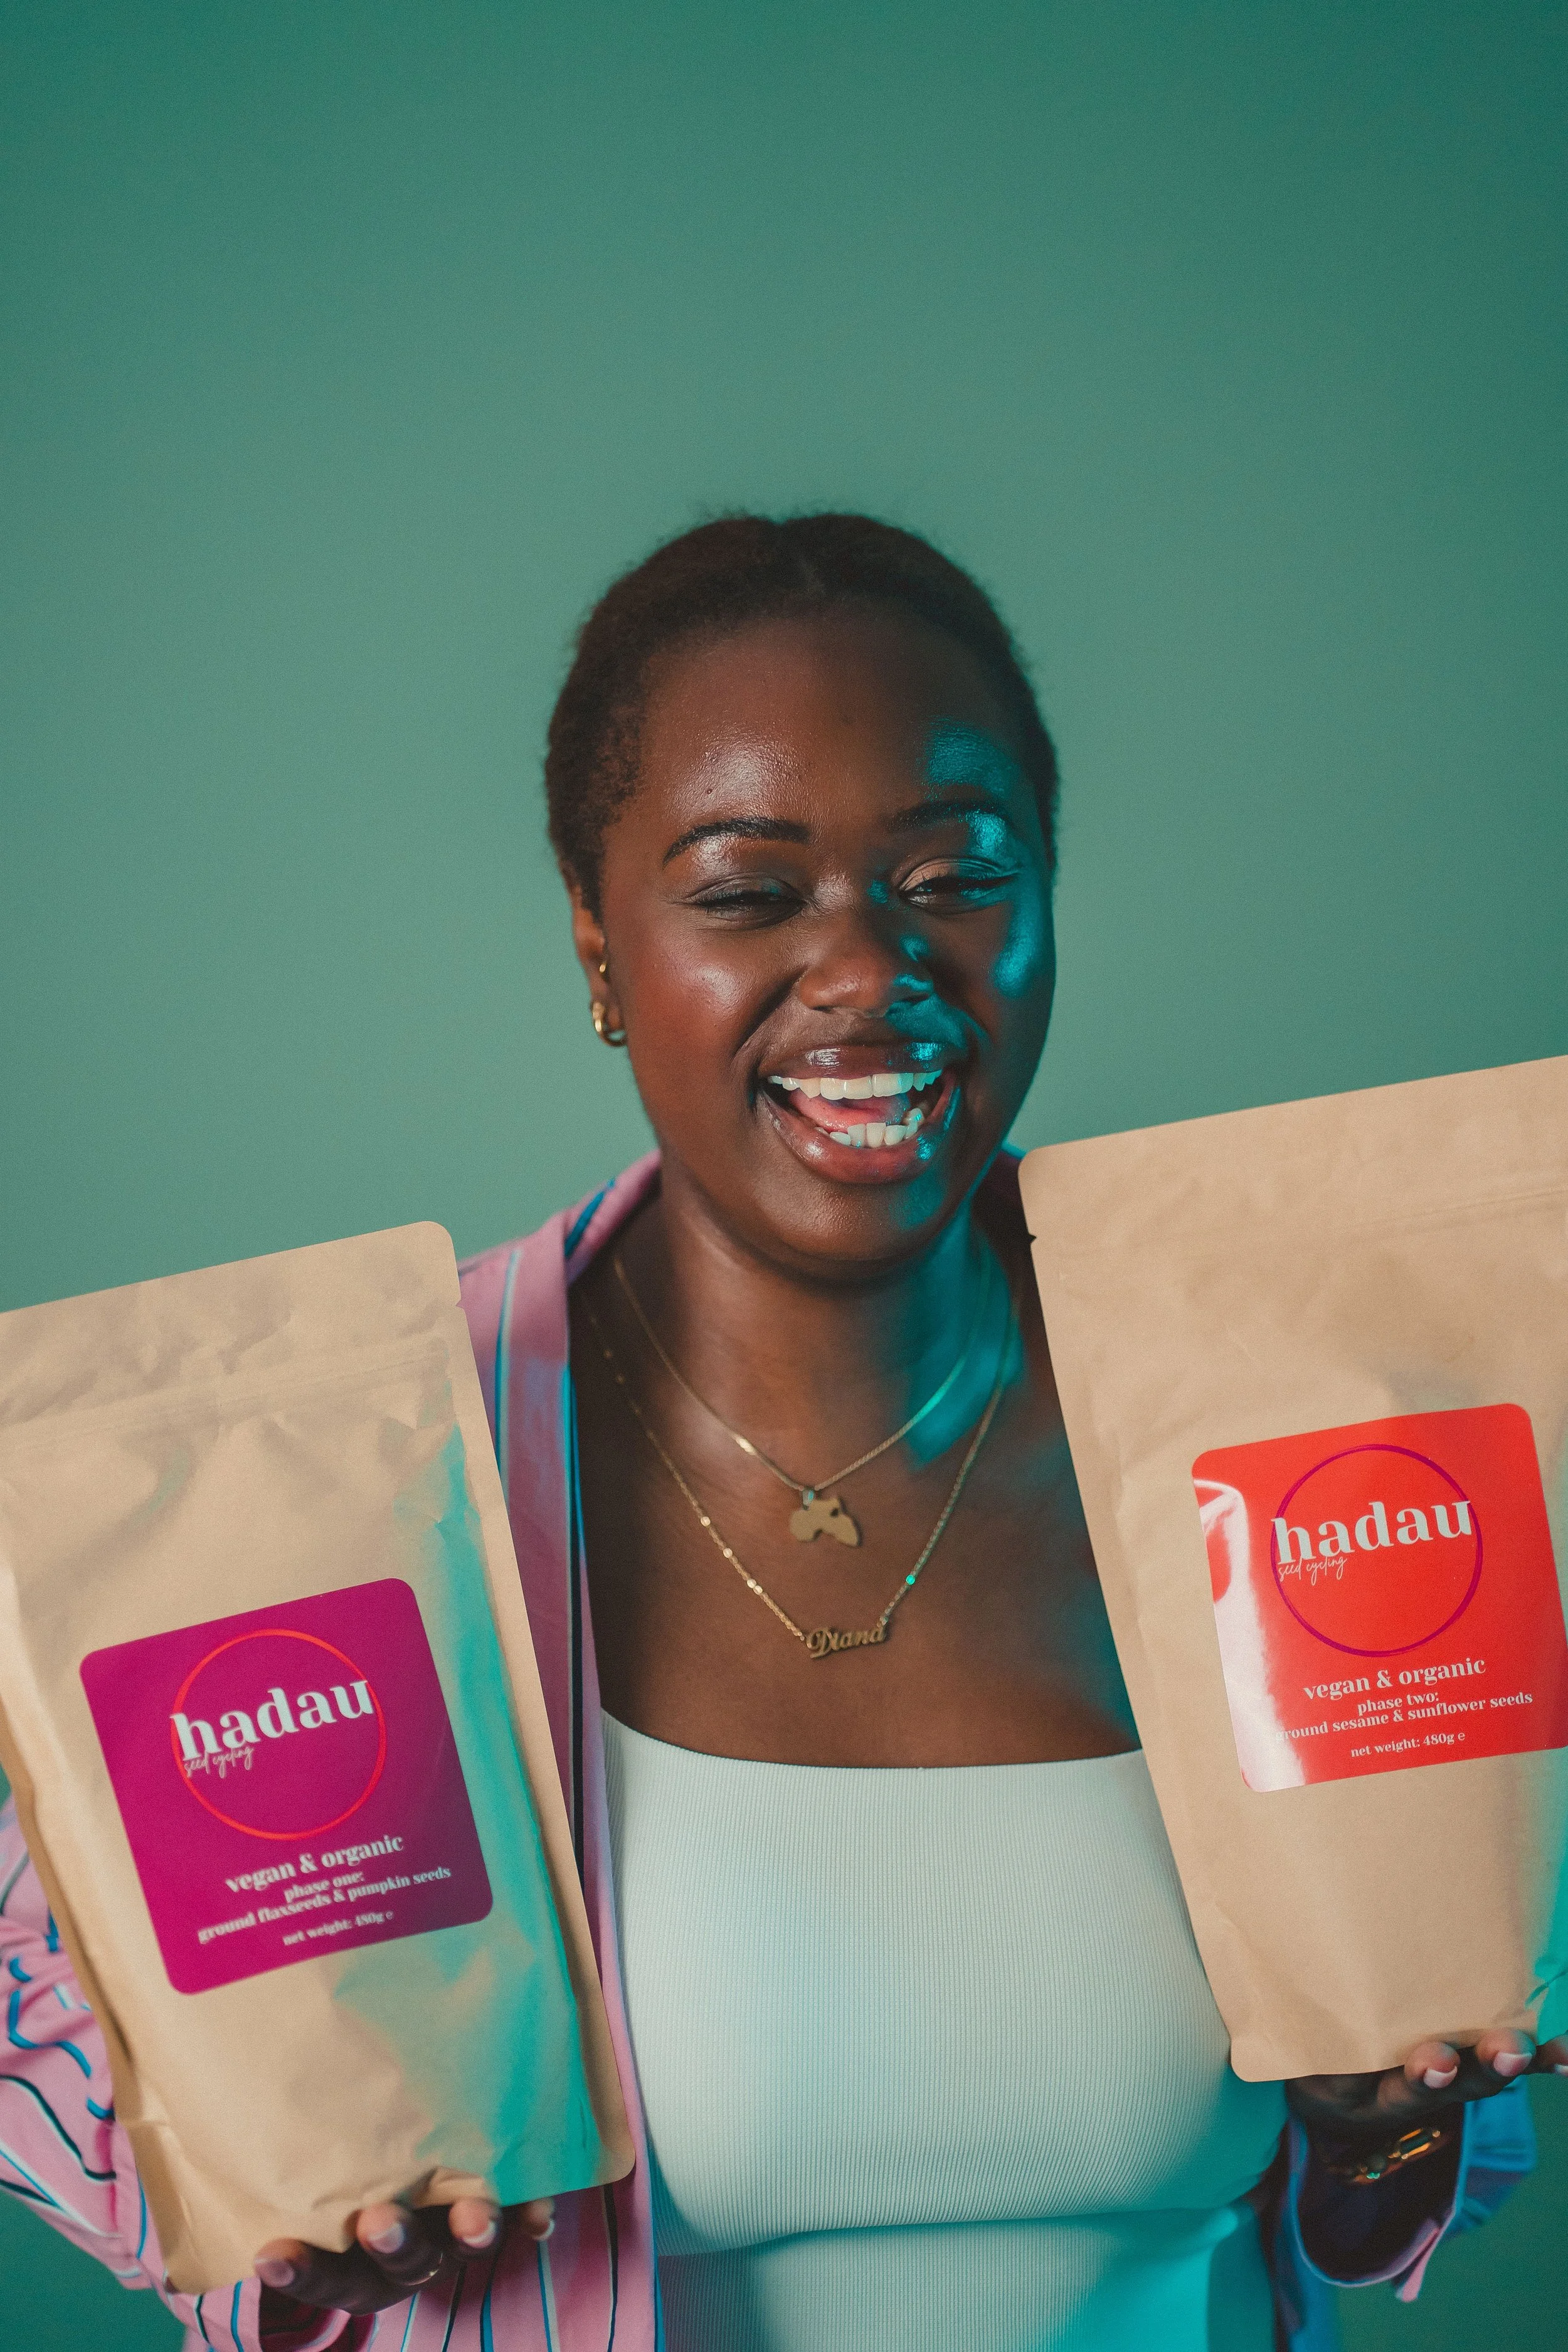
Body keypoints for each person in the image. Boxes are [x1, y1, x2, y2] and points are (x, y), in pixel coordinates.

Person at [0, 514, 1548, 2352]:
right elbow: (86, 2071)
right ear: (599, 936)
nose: (865, 968)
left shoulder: (1286, 1444)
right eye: (745, 891)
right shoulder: (346, 1487)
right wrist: (280, 2238)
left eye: (952, 875)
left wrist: (1382, 2137)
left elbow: (1398, 2151)